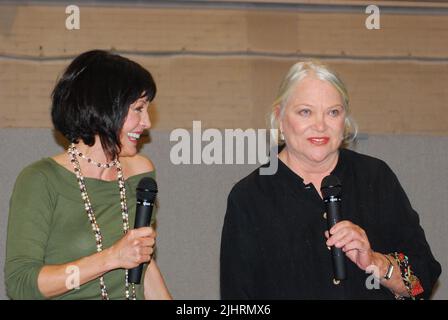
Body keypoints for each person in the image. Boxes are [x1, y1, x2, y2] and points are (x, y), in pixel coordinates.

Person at [220, 60, 441, 299]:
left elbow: (422, 282)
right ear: (280, 118)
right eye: (305, 112)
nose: (320, 125)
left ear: (344, 120)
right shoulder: (250, 197)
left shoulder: (375, 177)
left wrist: (375, 261)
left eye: (333, 112)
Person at [5, 50, 172, 300]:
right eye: (138, 109)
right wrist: (112, 257)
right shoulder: (40, 180)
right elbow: (21, 284)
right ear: (104, 109)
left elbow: (143, 265)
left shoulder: (140, 172)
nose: (147, 122)